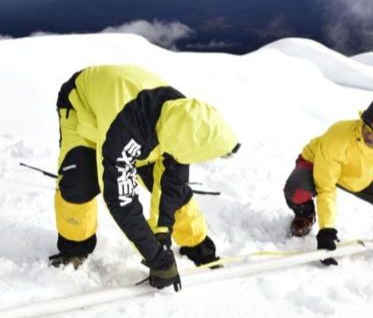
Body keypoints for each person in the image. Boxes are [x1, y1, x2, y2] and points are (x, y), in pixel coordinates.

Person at [50, 64, 240, 292]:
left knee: (176, 192)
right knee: (78, 183)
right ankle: (75, 247)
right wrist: (156, 258)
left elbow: (171, 188)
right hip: (83, 108)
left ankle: (195, 244)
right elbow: (121, 200)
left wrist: (161, 236)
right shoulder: (125, 132)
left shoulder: (186, 119)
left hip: (134, 120)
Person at [282, 95, 373, 263]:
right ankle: (305, 215)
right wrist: (326, 231)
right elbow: (326, 187)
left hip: (360, 175)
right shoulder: (338, 136)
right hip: (318, 163)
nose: (369, 135)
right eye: (367, 126)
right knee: (296, 191)